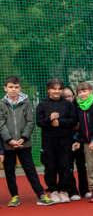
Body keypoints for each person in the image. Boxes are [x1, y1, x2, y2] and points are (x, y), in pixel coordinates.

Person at [0, 77, 50, 206]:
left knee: (30, 170)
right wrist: (10, 140)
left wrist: (23, 138)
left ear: (20, 89)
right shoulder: (1, 103)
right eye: (11, 87)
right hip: (8, 145)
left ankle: (40, 195)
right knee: (9, 171)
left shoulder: (26, 102)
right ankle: (14, 196)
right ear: (5, 88)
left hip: (24, 144)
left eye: (16, 87)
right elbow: (1, 124)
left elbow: (30, 122)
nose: (13, 90)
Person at [35, 79, 76, 203]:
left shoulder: (68, 104)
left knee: (65, 164)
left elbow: (73, 120)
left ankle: (64, 190)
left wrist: (60, 122)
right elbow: (39, 122)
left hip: (65, 139)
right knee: (50, 164)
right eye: (54, 89)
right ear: (48, 89)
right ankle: (53, 190)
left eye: (59, 89)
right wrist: (49, 119)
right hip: (49, 140)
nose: (56, 91)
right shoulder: (42, 105)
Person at [63, 86, 90, 200]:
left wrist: (79, 126)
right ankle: (72, 191)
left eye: (69, 96)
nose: (67, 98)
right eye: (64, 96)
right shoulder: (60, 108)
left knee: (82, 165)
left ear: (73, 96)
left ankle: (85, 190)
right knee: (68, 166)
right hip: (66, 140)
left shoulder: (79, 106)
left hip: (79, 139)